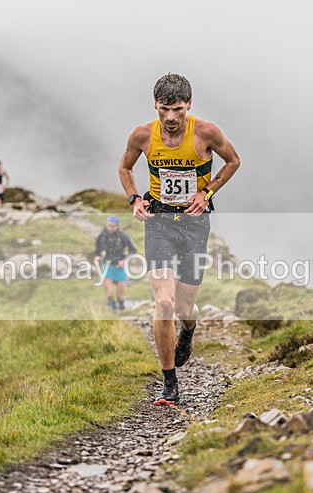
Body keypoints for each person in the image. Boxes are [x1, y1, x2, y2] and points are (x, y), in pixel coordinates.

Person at [117, 73, 241, 406]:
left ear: (189, 105)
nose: (171, 118)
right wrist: (135, 199)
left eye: (177, 110)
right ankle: (169, 383)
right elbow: (125, 168)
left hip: (194, 225)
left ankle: (187, 331)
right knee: (165, 303)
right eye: (164, 109)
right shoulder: (142, 135)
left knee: (185, 308)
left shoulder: (206, 132)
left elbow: (233, 161)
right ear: (155, 106)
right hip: (159, 222)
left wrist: (207, 192)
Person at [94, 215, 137, 311]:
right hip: (107, 264)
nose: (110, 228)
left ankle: (121, 305)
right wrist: (97, 255)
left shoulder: (122, 235)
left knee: (119, 296)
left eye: (113, 226)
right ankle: (112, 309)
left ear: (117, 226)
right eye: (109, 225)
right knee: (109, 293)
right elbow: (98, 246)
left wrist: (124, 260)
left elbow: (133, 250)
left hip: (119, 265)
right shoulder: (103, 234)